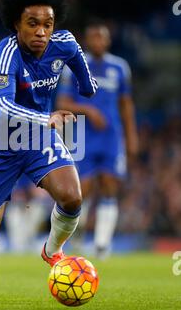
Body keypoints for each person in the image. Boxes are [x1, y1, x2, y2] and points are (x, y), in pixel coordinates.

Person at [0, 0, 98, 302]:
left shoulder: (64, 43)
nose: (42, 31)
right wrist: (48, 118)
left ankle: (52, 250)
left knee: (71, 197)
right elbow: (2, 106)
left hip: (39, 136)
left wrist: (86, 78)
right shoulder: (4, 53)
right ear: (16, 24)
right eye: (33, 24)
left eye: (48, 24)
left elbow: (88, 84)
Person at [56, 22, 138, 258]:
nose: (98, 41)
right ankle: (78, 233)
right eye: (93, 37)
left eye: (102, 37)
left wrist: (131, 136)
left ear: (108, 40)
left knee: (110, 185)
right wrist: (89, 111)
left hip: (112, 136)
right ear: (87, 41)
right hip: (83, 136)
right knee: (83, 189)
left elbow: (126, 103)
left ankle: (102, 244)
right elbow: (62, 104)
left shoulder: (119, 67)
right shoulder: (73, 68)